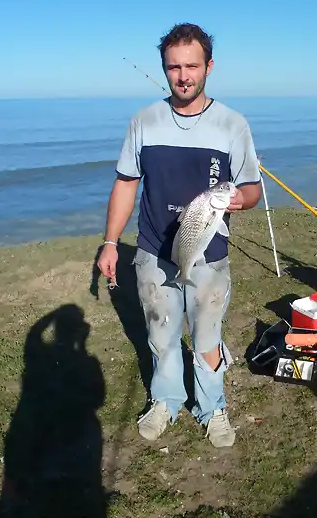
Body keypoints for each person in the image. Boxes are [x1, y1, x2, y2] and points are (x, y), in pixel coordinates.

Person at [98, 23, 261, 448]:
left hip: (209, 253)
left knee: (206, 336)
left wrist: (240, 200)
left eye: (192, 66)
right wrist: (111, 242)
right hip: (154, 251)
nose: (183, 76)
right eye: (174, 67)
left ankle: (213, 407)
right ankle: (166, 400)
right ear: (165, 69)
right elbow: (126, 183)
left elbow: (252, 189)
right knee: (161, 333)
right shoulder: (144, 121)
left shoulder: (232, 124)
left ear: (209, 66)